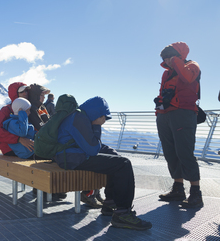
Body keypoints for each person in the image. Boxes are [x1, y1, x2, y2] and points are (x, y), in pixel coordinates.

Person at [56, 96, 152, 230]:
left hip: (73, 154)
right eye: (104, 117)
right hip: (72, 158)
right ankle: (122, 214)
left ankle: (110, 203)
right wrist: (96, 126)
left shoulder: (80, 116)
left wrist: (112, 153)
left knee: (117, 160)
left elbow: (90, 144)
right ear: (97, 113)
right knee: (123, 164)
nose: (104, 121)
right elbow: (94, 149)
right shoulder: (80, 120)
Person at [155, 42, 203, 208]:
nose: (168, 60)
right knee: (170, 152)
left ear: (179, 55)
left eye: (170, 56)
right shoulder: (166, 74)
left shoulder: (192, 66)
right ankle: (178, 189)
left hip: (183, 113)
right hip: (165, 115)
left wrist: (177, 61)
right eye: (165, 58)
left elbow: (188, 78)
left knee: (184, 152)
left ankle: (195, 193)